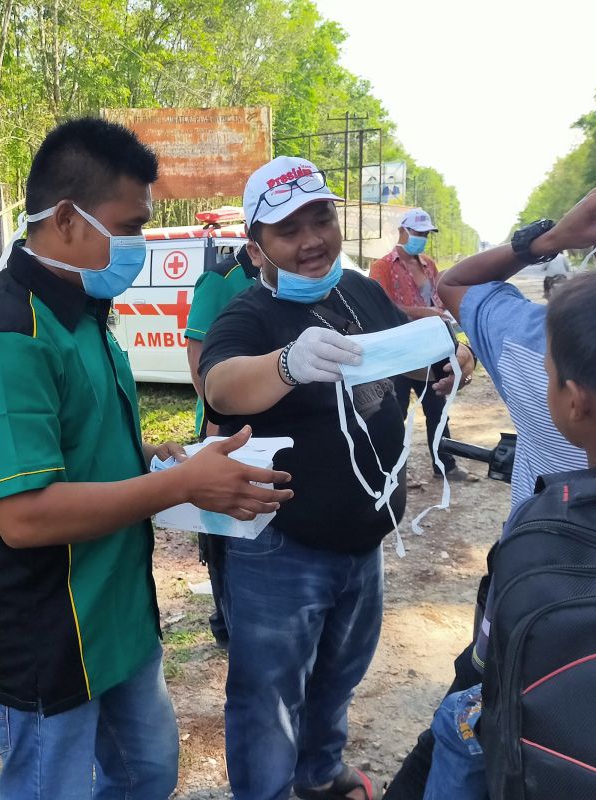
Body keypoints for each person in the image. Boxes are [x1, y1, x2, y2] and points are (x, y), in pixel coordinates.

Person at [0, 117, 294, 800]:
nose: (136, 246)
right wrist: (180, 486)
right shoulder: (8, 339)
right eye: (129, 227)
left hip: (117, 623)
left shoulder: (85, 316)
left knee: (147, 775)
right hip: (46, 639)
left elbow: (76, 439)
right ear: (69, 220)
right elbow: (24, 516)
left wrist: (151, 456)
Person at [385, 133, 596, 800]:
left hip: (543, 609)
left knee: (462, 731)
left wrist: (544, 238)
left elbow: (454, 283)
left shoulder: (549, 340)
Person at [198, 155, 474, 800]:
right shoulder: (250, 315)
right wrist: (287, 365)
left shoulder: (359, 290)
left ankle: (320, 773)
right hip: (281, 546)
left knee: (340, 673)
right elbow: (220, 385)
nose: (311, 240)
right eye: (288, 230)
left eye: (320, 218)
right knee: (266, 696)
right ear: (256, 245)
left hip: (363, 538)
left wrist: (438, 358)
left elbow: (404, 352)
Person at [185, 243, 259, 649]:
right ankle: (224, 619)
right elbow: (198, 351)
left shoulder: (283, 278)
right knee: (221, 529)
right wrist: (214, 416)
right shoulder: (220, 278)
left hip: (263, 424)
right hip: (223, 425)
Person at [369, 208, 472, 481]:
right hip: (399, 352)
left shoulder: (428, 264)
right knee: (393, 413)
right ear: (403, 231)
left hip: (430, 348)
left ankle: (445, 466)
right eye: (418, 233)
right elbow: (380, 307)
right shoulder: (382, 267)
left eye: (426, 234)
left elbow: (439, 300)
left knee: (438, 410)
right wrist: (422, 312)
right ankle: (390, 471)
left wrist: (445, 314)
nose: (422, 238)